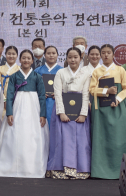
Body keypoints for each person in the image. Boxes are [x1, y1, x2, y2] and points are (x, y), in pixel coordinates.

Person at [0, 50, 48, 178]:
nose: (26, 60)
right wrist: (9, 113)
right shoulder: (14, 76)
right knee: (14, 134)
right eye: (24, 58)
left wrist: (42, 114)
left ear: (32, 61)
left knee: (32, 136)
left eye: (29, 58)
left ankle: (31, 168)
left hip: (34, 108)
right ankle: (11, 167)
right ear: (20, 60)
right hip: (17, 107)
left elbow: (42, 97)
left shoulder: (37, 77)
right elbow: (9, 96)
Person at [88, 45, 126, 179]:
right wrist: (106, 92)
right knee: (102, 138)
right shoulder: (97, 71)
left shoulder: (120, 70)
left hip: (118, 107)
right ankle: (100, 171)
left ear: (113, 55)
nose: (106, 55)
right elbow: (92, 90)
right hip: (101, 109)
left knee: (120, 137)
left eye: (108, 53)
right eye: (103, 53)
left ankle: (125, 171)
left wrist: (118, 99)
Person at [47, 47, 91, 180]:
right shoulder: (60, 72)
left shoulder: (86, 73)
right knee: (62, 140)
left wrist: (83, 114)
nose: (73, 59)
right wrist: (61, 112)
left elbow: (86, 95)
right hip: (63, 110)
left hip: (79, 111)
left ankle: (80, 170)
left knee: (81, 141)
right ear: (66, 58)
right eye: (70, 57)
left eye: (75, 57)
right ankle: (60, 169)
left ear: (80, 58)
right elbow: (58, 94)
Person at [34, 46, 63, 128]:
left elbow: (67, 87)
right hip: (42, 103)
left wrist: (60, 93)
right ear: (44, 55)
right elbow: (33, 87)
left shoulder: (62, 71)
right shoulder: (37, 71)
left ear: (57, 55)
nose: (51, 55)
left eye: (53, 53)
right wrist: (39, 93)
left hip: (57, 103)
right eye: (48, 53)